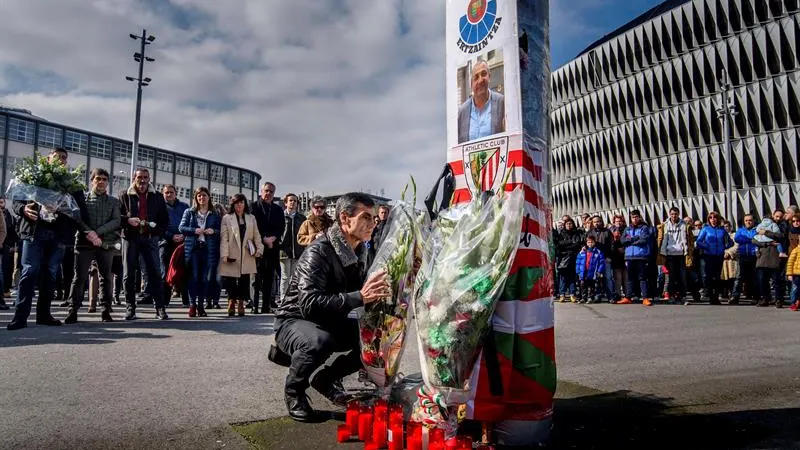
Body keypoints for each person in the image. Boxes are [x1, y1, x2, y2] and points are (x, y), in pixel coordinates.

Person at [273, 193, 390, 422]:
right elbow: (309, 304)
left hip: (329, 317)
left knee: (373, 340)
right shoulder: (319, 251)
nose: (372, 223)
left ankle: (326, 379)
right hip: (294, 320)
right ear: (345, 219)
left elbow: (367, 292)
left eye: (375, 218)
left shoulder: (360, 252)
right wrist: (360, 297)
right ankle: (294, 392)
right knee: (318, 342)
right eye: (366, 217)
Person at [7, 147, 83, 330]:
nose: (60, 160)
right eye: (56, 157)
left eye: (64, 158)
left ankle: (44, 315)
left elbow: (79, 212)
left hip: (57, 236)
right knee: (29, 272)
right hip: (34, 232)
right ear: (48, 159)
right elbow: (17, 201)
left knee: (50, 274)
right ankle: (20, 317)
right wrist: (24, 210)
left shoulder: (71, 185)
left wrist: (63, 213)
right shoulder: (32, 178)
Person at [64, 168, 121, 324]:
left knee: (106, 278)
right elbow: (77, 218)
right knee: (79, 277)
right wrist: (89, 233)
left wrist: (98, 233)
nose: (101, 182)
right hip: (84, 242)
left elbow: (116, 221)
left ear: (108, 182)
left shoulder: (114, 201)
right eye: (98, 179)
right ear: (92, 181)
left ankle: (105, 310)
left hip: (106, 243)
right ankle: (73, 310)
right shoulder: (83, 199)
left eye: (104, 179)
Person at [119, 168, 169, 321]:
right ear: (134, 178)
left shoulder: (158, 197)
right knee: (128, 275)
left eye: (145, 177)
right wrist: (127, 221)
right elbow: (117, 217)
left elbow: (164, 220)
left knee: (155, 273)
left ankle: (160, 308)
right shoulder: (124, 195)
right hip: (130, 238)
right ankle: (130, 308)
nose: (142, 180)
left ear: (149, 179)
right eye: (139, 177)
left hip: (150, 239)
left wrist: (156, 233)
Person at [179, 187, 221, 318]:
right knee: (194, 277)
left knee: (204, 279)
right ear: (196, 198)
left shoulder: (214, 214)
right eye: (199, 196)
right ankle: (192, 305)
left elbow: (220, 230)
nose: (202, 198)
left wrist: (213, 231)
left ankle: (201, 306)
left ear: (209, 197)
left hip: (208, 249)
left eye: (204, 195)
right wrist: (194, 231)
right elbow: (181, 227)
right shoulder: (189, 212)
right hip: (193, 249)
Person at [220, 194, 263, 317]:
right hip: (231, 251)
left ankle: (240, 302)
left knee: (244, 280)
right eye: (237, 203)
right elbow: (224, 238)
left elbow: (256, 235)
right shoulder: (227, 218)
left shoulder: (251, 218)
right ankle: (231, 301)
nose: (239, 205)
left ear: (245, 204)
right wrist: (224, 254)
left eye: (241, 202)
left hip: (246, 252)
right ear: (233, 204)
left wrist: (259, 249)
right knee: (230, 280)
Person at [251, 182, 285, 314]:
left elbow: (281, 227)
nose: (268, 193)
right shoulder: (253, 207)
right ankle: (254, 305)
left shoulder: (277, 210)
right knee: (256, 278)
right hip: (258, 246)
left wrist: (273, 238)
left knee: (269, 278)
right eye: (266, 191)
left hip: (272, 248)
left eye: (271, 192)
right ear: (261, 191)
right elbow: (253, 225)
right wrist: (264, 238)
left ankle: (266, 305)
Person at [457, 60, 505, 143]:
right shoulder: (462, 112)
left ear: (489, 77)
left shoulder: (502, 103)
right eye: (476, 77)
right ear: (471, 84)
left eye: (483, 74)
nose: (480, 80)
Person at [694, 212, 734, 305]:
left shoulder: (722, 230)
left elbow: (730, 242)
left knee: (717, 277)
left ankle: (715, 296)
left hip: (719, 256)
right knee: (708, 277)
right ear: (708, 219)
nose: (713, 219)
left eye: (715, 217)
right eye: (711, 218)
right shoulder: (705, 229)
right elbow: (699, 241)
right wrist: (706, 246)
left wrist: (724, 247)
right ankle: (711, 295)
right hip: (708, 255)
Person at [656, 207, 694, 303]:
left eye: (676, 214)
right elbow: (660, 239)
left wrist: (689, 251)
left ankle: (682, 296)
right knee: (671, 277)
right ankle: (672, 296)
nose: (674, 216)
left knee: (682, 276)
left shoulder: (684, 225)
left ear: (679, 214)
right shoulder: (665, 225)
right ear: (670, 214)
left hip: (681, 254)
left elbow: (690, 239)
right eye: (672, 214)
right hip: (669, 254)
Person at [160, 184, 189, 307]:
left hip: (183, 242)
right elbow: (158, 226)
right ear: (163, 194)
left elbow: (190, 223)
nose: (169, 195)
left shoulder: (184, 207)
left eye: (171, 192)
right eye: (166, 192)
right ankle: (164, 301)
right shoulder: (159, 208)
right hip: (165, 242)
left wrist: (183, 235)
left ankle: (186, 300)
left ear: (175, 194)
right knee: (165, 271)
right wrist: (170, 236)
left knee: (184, 271)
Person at [620, 210, 653, 306]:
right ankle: (628, 297)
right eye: (632, 217)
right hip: (629, 256)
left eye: (636, 217)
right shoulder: (627, 228)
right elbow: (622, 240)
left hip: (641, 256)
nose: (634, 219)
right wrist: (634, 238)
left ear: (639, 217)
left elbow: (644, 240)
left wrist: (630, 241)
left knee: (642, 277)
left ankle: (645, 298)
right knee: (630, 278)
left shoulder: (644, 227)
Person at [280, 193, 306, 300]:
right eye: (290, 200)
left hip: (298, 251)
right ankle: (283, 299)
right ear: (286, 203)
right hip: (284, 251)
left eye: (295, 201)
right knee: (285, 277)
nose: (293, 203)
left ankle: (293, 299)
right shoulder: (281, 216)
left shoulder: (301, 218)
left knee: (295, 278)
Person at [732, 214, 759, 304]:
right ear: (744, 221)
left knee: (755, 277)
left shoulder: (756, 230)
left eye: (750, 220)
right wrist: (751, 239)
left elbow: (758, 239)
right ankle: (735, 296)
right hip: (743, 255)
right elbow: (737, 238)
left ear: (753, 221)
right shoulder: (740, 230)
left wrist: (748, 239)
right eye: (746, 220)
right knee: (739, 277)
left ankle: (756, 296)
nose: (748, 222)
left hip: (754, 256)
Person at [575, 235, 605, 304]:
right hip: (583, 272)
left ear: (594, 243)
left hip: (592, 272)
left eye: (592, 242)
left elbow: (601, 262)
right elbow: (578, 262)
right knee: (583, 285)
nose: (590, 244)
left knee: (591, 285)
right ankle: (583, 297)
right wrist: (578, 271)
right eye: (588, 242)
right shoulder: (582, 252)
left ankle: (590, 297)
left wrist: (599, 271)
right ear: (586, 243)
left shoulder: (598, 252)